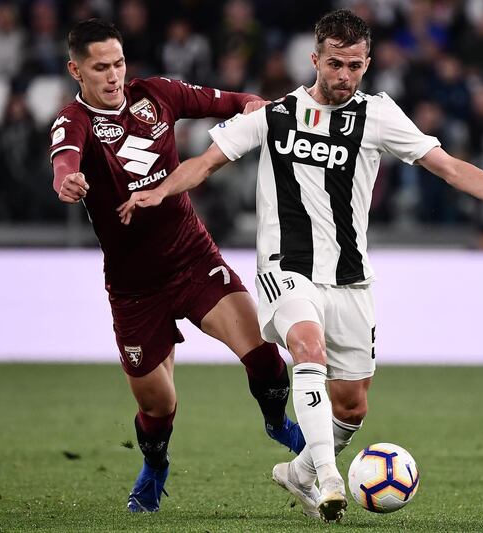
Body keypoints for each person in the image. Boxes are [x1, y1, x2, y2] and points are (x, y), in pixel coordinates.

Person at [120, 9, 483, 523]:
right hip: (285, 267)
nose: (344, 76)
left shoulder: (379, 114)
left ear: (368, 63)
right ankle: (328, 478)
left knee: (353, 406)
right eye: (335, 64)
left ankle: (298, 471)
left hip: (351, 277)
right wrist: (159, 191)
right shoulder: (273, 115)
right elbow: (204, 163)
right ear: (315, 59)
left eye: (355, 66)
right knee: (305, 346)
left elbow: (448, 168)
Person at [48, 19, 304, 514]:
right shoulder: (72, 120)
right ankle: (156, 465)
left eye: (118, 63)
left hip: (192, 257)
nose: (113, 76)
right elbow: (64, 158)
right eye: (100, 68)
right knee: (158, 407)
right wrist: (67, 180)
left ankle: (276, 420)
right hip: (133, 288)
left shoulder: (158, 94)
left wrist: (258, 108)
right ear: (75, 71)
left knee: (265, 356)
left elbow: (227, 102)